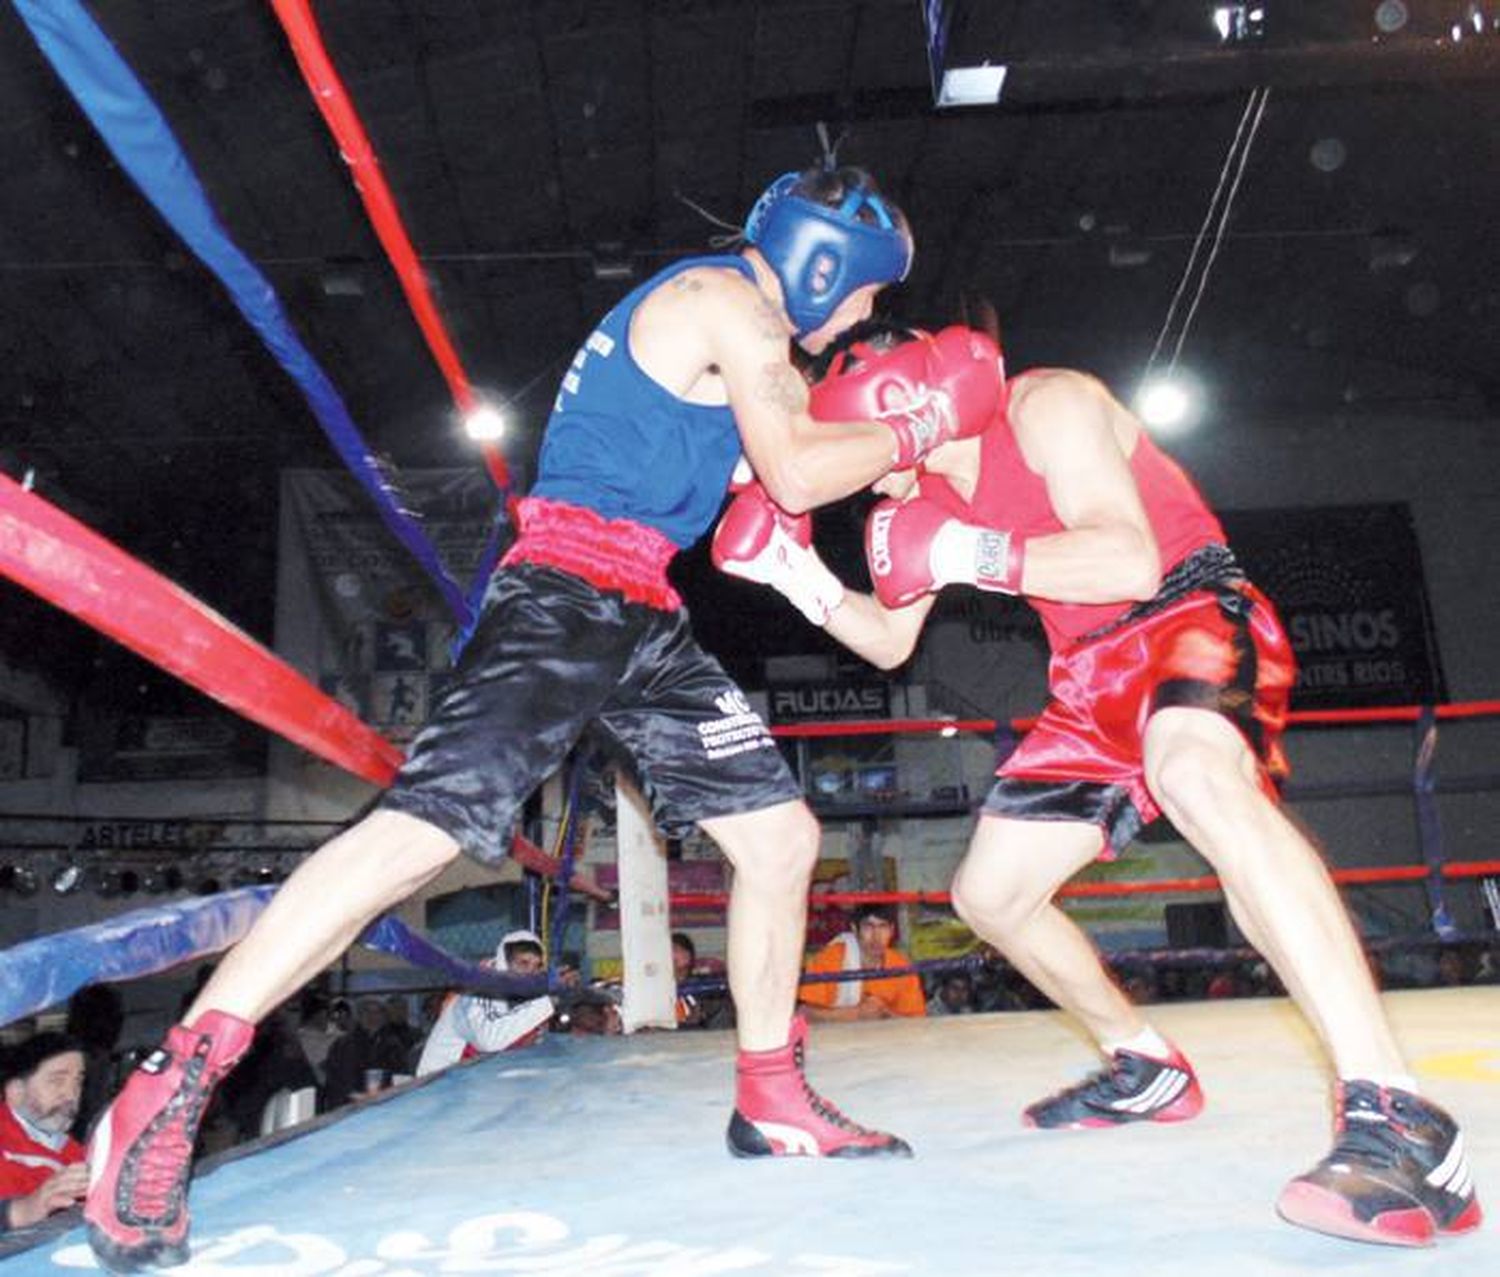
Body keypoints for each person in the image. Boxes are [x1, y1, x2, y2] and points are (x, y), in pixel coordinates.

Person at [85, 162, 1010, 1271]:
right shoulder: (732, 304)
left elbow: (816, 532)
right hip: (569, 590)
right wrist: (923, 424)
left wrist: (912, 516)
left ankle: (770, 1094)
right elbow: (805, 472)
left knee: (781, 835)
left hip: (641, 607)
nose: (866, 316)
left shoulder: (743, 347)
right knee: (416, 835)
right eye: (865, 292)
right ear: (827, 268)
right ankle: (171, 1079)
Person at [726, 322, 1482, 1247]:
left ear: (895, 405)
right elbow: (889, 641)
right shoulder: (914, 499)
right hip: (1088, 679)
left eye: (843, 436)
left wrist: (971, 552)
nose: (841, 470)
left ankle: (1395, 1110)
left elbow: (1127, 559)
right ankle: (1142, 1061)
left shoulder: (1049, 403)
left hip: (1186, 618)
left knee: (1196, 773)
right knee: (988, 894)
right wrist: (791, 574)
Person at [416, 930, 555, 1074]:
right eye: (523, 963)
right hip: (437, 1085)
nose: (530, 973)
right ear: (504, 963)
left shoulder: (521, 1000)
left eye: (537, 966)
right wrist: (547, 1001)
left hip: (470, 1081)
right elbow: (489, 1040)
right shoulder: (474, 993)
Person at [1, 1033, 89, 1231]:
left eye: (78, 1081)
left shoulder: (73, 1149)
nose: (71, 1094)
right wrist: (24, 1210)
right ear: (16, 1092)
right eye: (57, 1081)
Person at [798, 903, 927, 1022]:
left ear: (892, 930)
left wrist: (884, 1013)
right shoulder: (831, 958)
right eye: (868, 927)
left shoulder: (900, 966)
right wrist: (856, 1014)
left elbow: (917, 1023)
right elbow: (803, 1014)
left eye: (883, 927)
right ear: (854, 929)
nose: (877, 936)